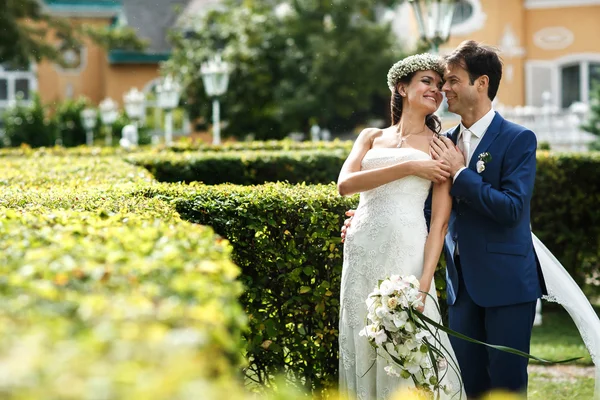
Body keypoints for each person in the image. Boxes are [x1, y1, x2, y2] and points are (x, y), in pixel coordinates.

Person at [343, 40, 600, 399]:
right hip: (461, 288)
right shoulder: (441, 140)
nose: (444, 88)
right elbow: (429, 209)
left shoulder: (517, 139)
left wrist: (463, 174)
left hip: (507, 284)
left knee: (507, 388)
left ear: (481, 83)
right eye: (440, 81)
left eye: (452, 80)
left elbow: (512, 209)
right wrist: (372, 215)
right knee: (468, 386)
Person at [337, 53, 463, 399]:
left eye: (439, 86)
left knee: (412, 344)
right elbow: (346, 184)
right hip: (361, 247)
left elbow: (439, 223)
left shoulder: (442, 146)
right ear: (401, 87)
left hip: (407, 250)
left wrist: (424, 284)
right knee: (362, 337)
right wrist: (409, 166)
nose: (436, 90)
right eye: (427, 82)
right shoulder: (371, 136)